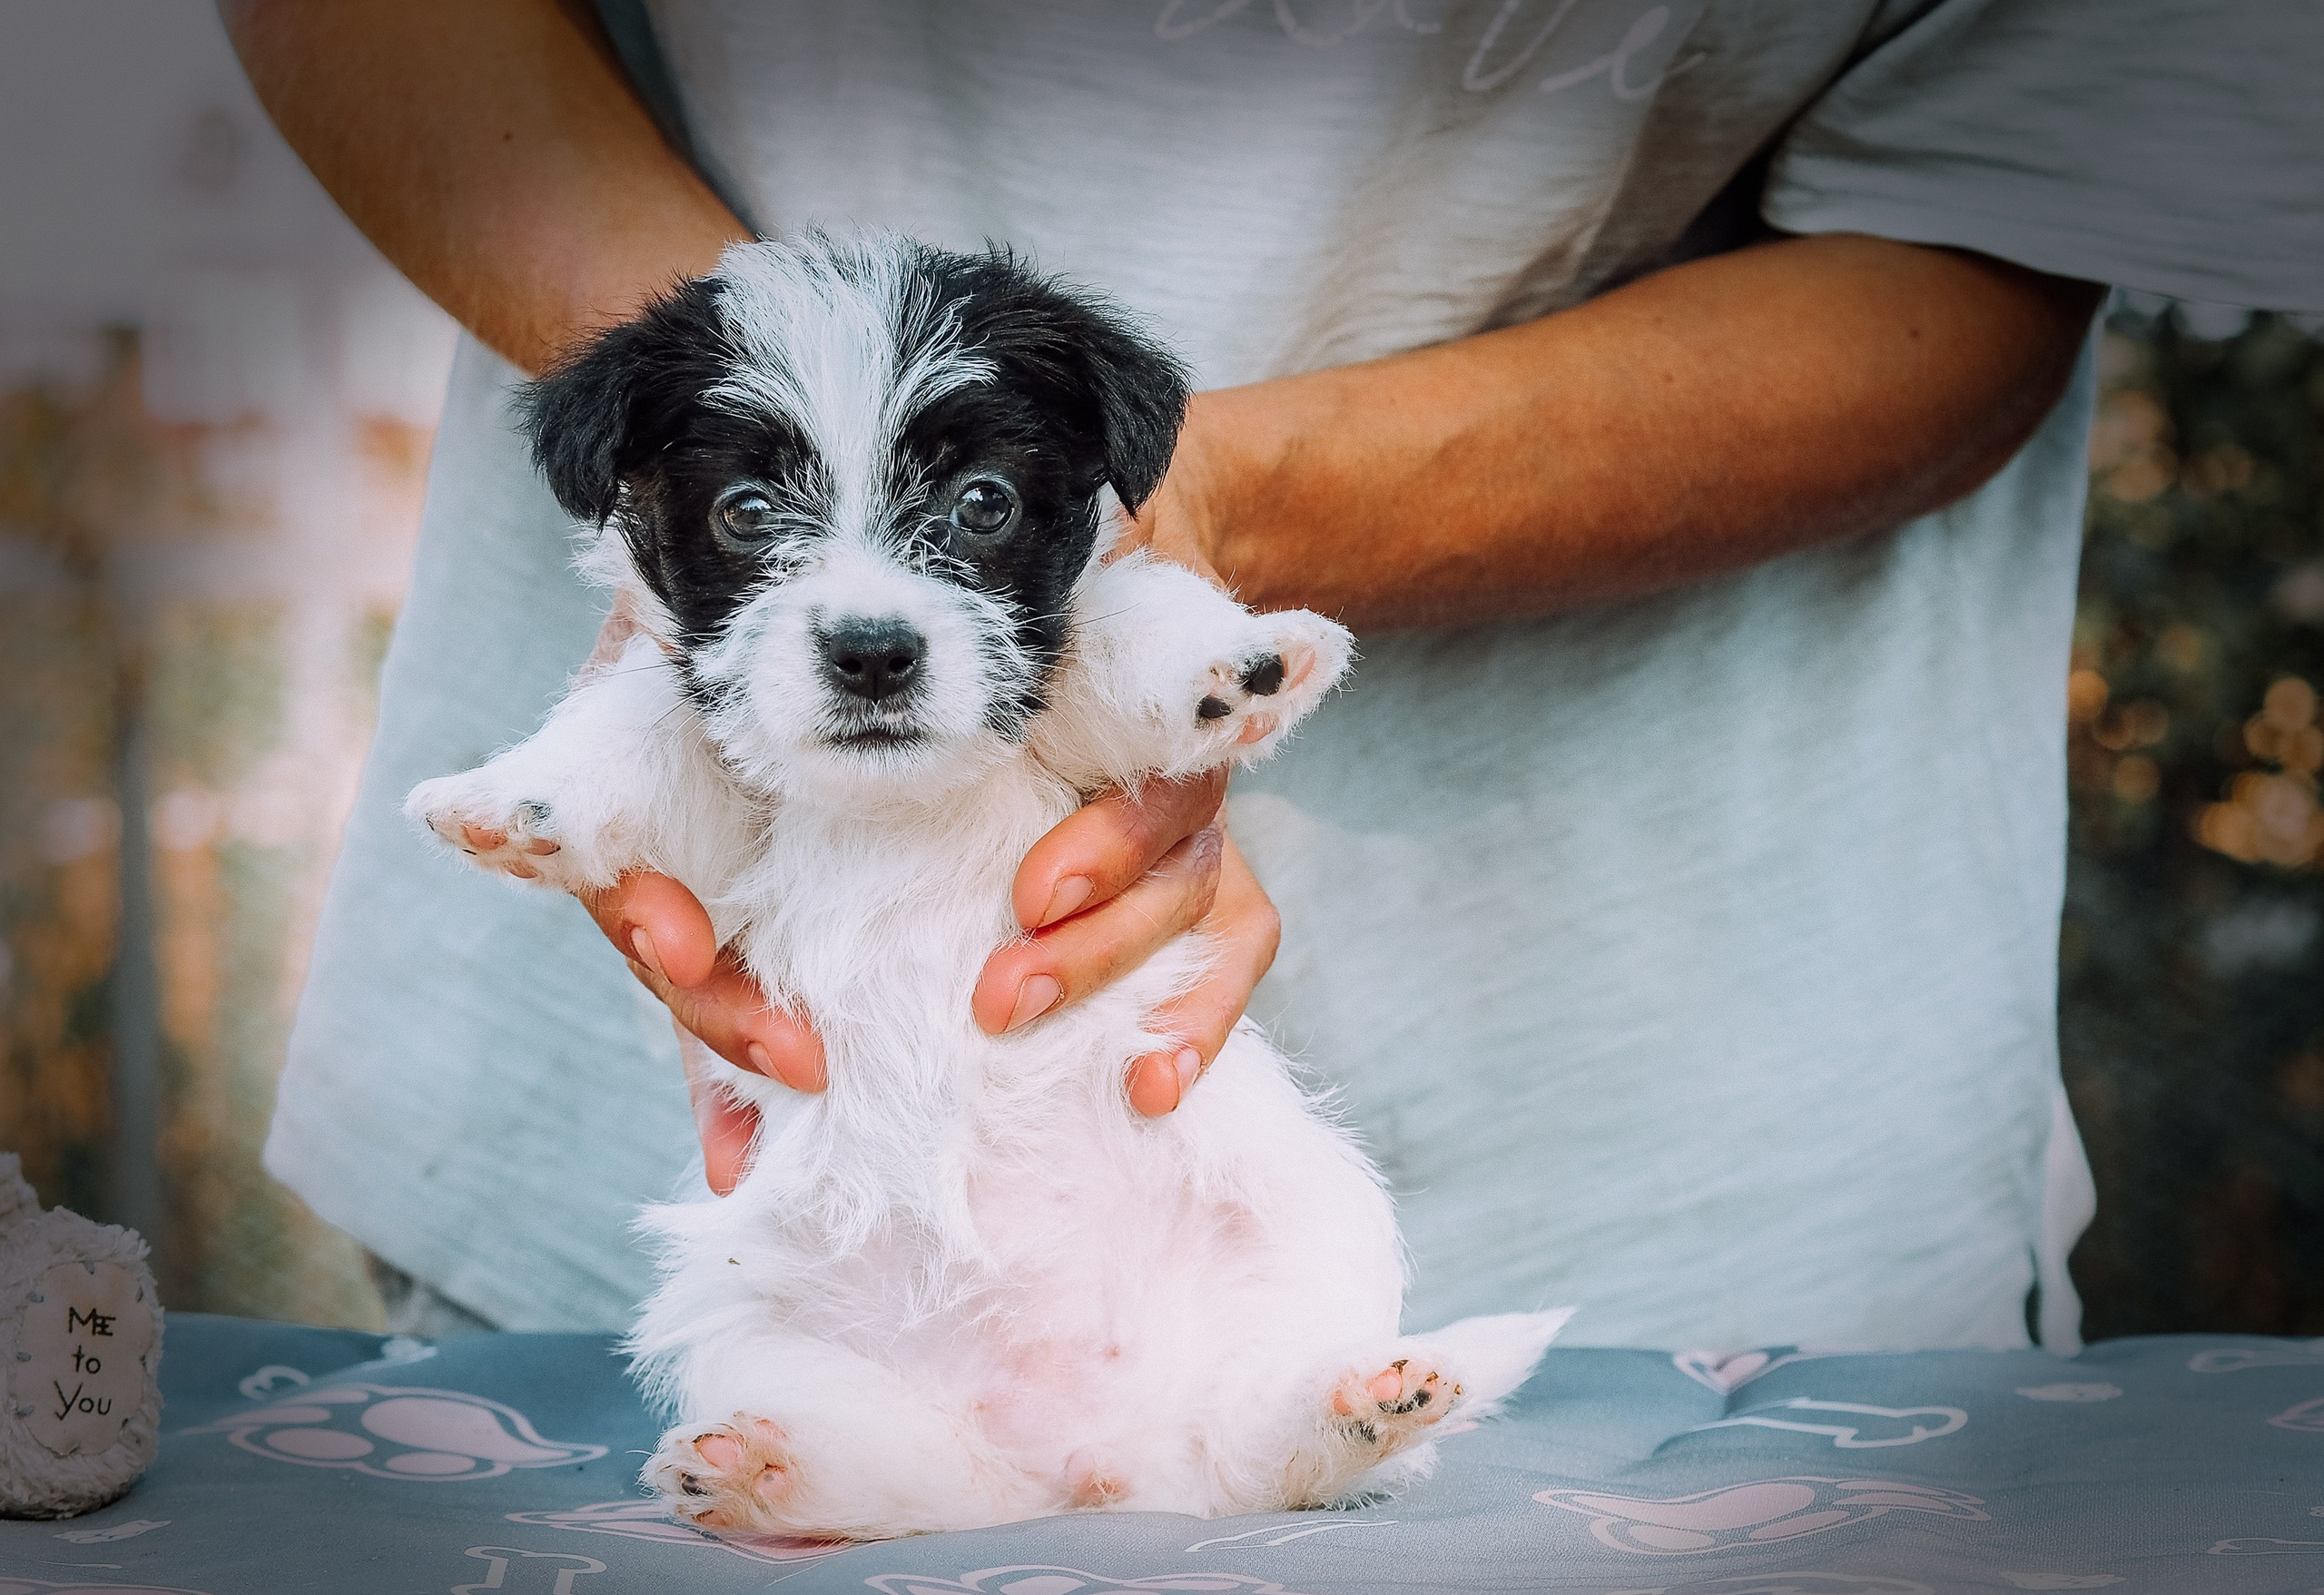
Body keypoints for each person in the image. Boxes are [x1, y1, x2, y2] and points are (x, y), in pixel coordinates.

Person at [230, 0, 2318, 1347]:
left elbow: (1975, 274)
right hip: (681, 1151)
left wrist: (1190, 530)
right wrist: (711, 428)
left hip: (1679, 1177)